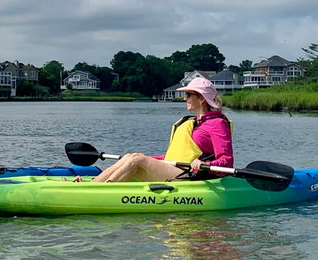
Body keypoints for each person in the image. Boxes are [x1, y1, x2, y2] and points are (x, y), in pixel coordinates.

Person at [92, 75, 233, 183]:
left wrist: (205, 164)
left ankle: (98, 193)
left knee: (136, 160)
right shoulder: (193, 123)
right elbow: (172, 158)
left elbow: (227, 161)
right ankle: (94, 185)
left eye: (188, 95)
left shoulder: (217, 123)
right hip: (176, 170)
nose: (185, 98)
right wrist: (148, 158)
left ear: (202, 99)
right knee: (131, 156)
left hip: (192, 176)